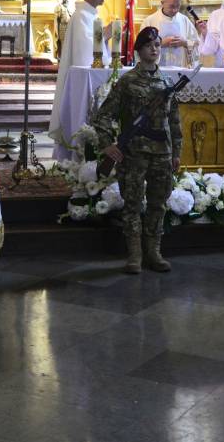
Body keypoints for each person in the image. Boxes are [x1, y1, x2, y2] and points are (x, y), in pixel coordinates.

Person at [93, 27, 182, 274]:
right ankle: (135, 255)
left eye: (158, 45)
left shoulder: (167, 83)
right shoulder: (127, 81)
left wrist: (176, 152)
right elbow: (103, 116)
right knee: (132, 205)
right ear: (138, 50)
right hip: (134, 154)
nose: (154, 49)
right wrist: (107, 145)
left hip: (162, 153)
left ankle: (154, 252)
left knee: (158, 204)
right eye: (148, 45)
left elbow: (174, 122)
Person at [48, 0, 112, 147]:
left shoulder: (91, 15)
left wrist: (105, 38)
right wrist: (105, 36)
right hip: (82, 77)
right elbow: (84, 50)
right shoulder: (81, 16)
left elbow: (95, 44)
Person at [142, 0, 199, 67]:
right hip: (156, 69)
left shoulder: (184, 20)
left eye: (178, 6)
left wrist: (184, 42)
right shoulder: (150, 21)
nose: (175, 10)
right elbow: (141, 47)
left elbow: (197, 43)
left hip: (180, 69)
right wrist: (160, 44)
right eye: (171, 6)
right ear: (162, 3)